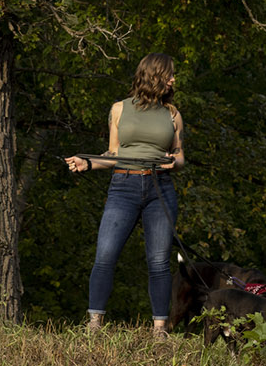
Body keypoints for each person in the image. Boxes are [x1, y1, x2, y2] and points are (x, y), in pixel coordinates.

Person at [63, 52, 185, 335]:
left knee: (158, 260)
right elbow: (114, 154)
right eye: (169, 73)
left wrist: (173, 162)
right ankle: (94, 324)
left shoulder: (172, 114)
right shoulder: (119, 109)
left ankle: (159, 329)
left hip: (160, 188)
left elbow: (180, 156)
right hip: (124, 187)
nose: (173, 79)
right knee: (105, 255)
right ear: (154, 74)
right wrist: (89, 162)